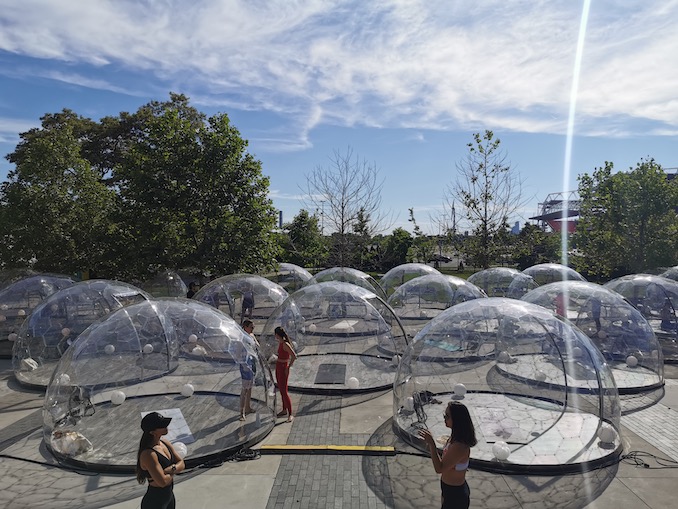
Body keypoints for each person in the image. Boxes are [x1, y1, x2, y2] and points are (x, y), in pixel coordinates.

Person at [418, 401, 477, 509]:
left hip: (455, 495)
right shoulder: (454, 438)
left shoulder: (459, 446)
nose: (444, 418)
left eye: (447, 416)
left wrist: (432, 444)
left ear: (457, 420)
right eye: (444, 415)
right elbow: (447, 459)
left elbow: (439, 468)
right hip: (449, 489)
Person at [136, 411, 186, 509]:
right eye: (161, 426)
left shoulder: (164, 442)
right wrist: (175, 469)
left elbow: (182, 463)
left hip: (169, 496)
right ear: (152, 432)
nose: (166, 426)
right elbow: (162, 482)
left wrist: (169, 470)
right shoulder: (148, 454)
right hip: (154, 502)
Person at [274, 326, 297, 422]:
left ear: (277, 334)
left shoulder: (285, 344)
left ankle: (290, 413)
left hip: (283, 367)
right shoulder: (280, 343)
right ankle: (284, 409)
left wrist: (288, 367)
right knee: (281, 389)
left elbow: (294, 356)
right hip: (279, 366)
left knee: (284, 391)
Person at [239, 319, 260, 420]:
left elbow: (257, 346)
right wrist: (243, 365)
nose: (253, 329)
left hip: (252, 363)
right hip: (245, 364)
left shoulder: (251, 336)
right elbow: (239, 353)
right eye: (251, 327)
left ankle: (248, 407)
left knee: (250, 386)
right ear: (245, 327)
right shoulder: (242, 338)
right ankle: (241, 412)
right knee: (244, 389)